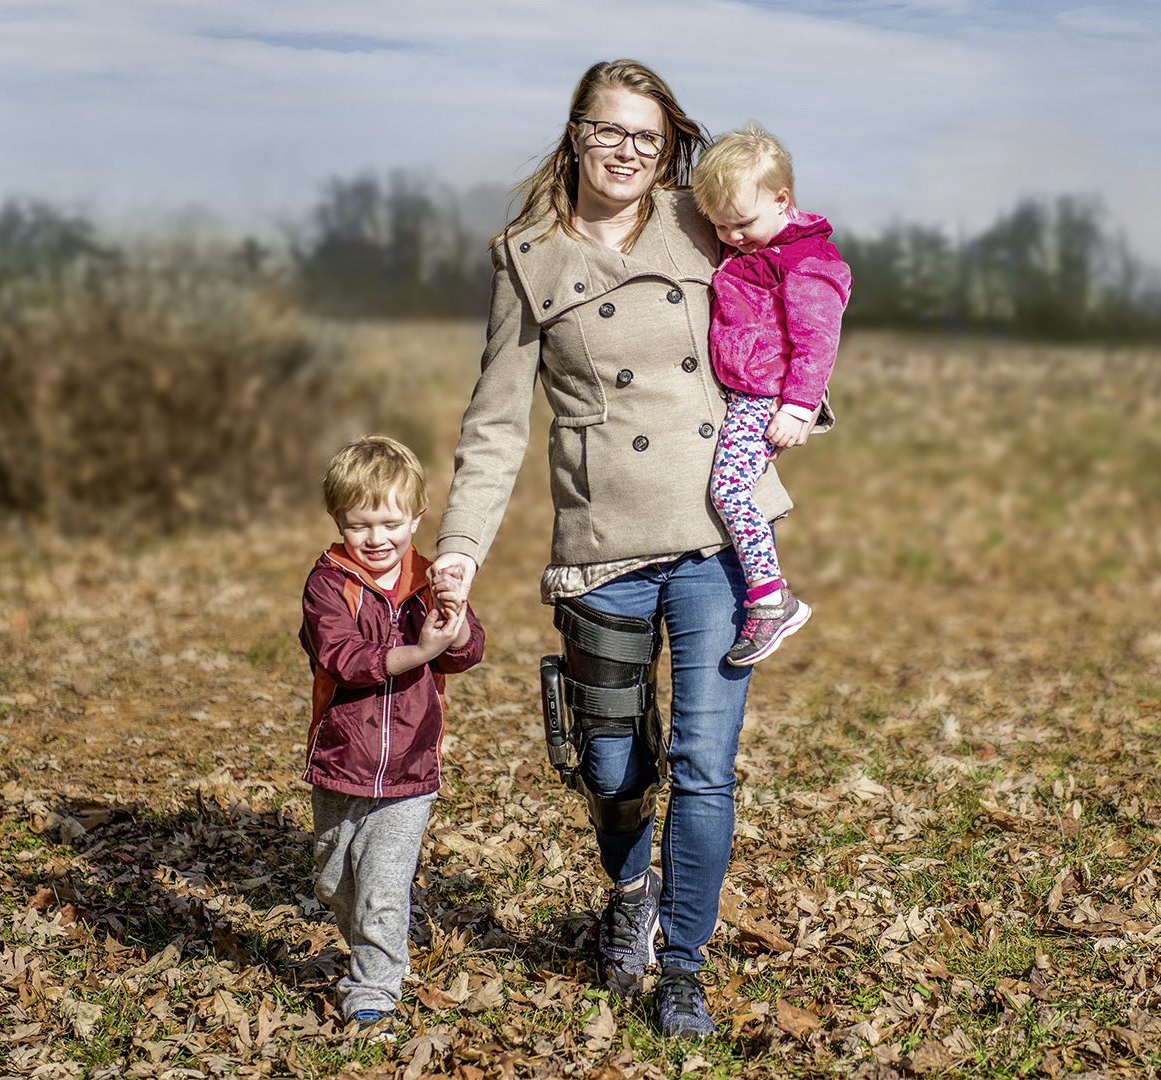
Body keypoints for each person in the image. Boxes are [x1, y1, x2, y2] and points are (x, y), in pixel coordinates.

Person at [430, 59, 807, 1039]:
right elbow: (496, 423)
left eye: (647, 136)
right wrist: (460, 549)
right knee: (611, 768)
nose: (629, 153)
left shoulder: (703, 219)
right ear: (576, 134)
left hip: (721, 539)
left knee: (706, 765)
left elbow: (805, 283)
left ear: (669, 144)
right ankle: (629, 888)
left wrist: (804, 397)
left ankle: (682, 966)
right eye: (610, 131)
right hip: (604, 544)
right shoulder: (527, 256)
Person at [299, 435, 485, 1030]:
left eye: (390, 523)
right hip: (341, 758)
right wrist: (417, 649)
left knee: (383, 887)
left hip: (410, 766)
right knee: (332, 879)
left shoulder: (432, 578)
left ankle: (375, 986)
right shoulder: (328, 584)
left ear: (417, 519)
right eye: (360, 526)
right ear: (339, 523)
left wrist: (452, 627)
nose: (376, 539)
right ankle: (375, 935)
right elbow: (343, 658)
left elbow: (467, 652)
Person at [691, 122, 851, 666]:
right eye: (720, 227)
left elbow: (816, 341)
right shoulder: (752, 249)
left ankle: (770, 597)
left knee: (731, 491)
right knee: (726, 488)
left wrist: (799, 406)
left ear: (783, 201)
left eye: (741, 223)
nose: (731, 237)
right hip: (741, 392)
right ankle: (767, 594)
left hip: (766, 399)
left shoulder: (806, 264)